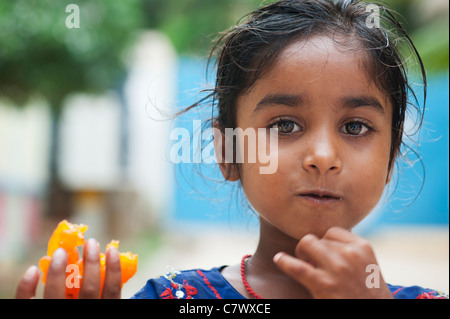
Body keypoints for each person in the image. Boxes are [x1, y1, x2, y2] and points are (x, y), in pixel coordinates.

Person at [15, 0, 448, 299]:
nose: (323, 155)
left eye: (355, 127)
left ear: (391, 157)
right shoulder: (177, 297)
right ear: (228, 150)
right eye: (284, 125)